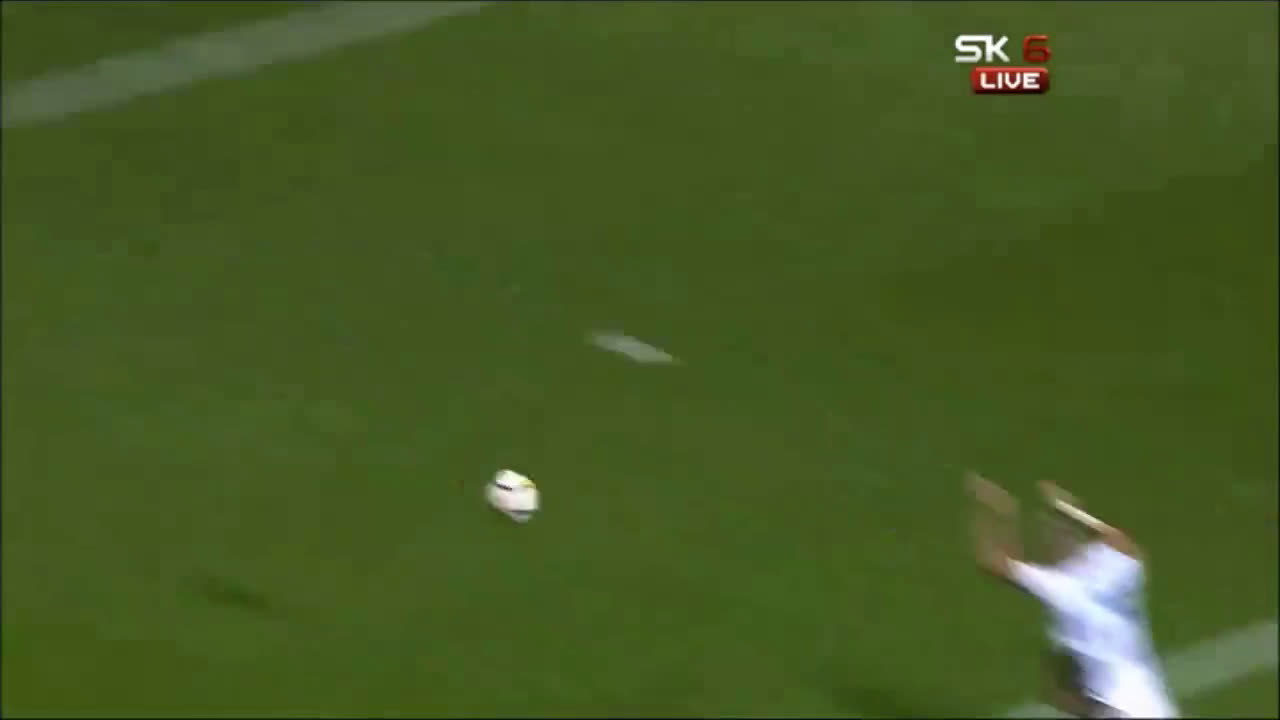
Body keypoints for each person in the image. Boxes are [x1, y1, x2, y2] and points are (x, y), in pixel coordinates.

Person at [967, 472, 1179, 718]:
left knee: (1064, 690)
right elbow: (1121, 540)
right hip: (1154, 707)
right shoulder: (1116, 565)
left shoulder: (1063, 587)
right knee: (1066, 688)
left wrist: (997, 511)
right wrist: (1070, 510)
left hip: (1118, 710)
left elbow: (994, 562)